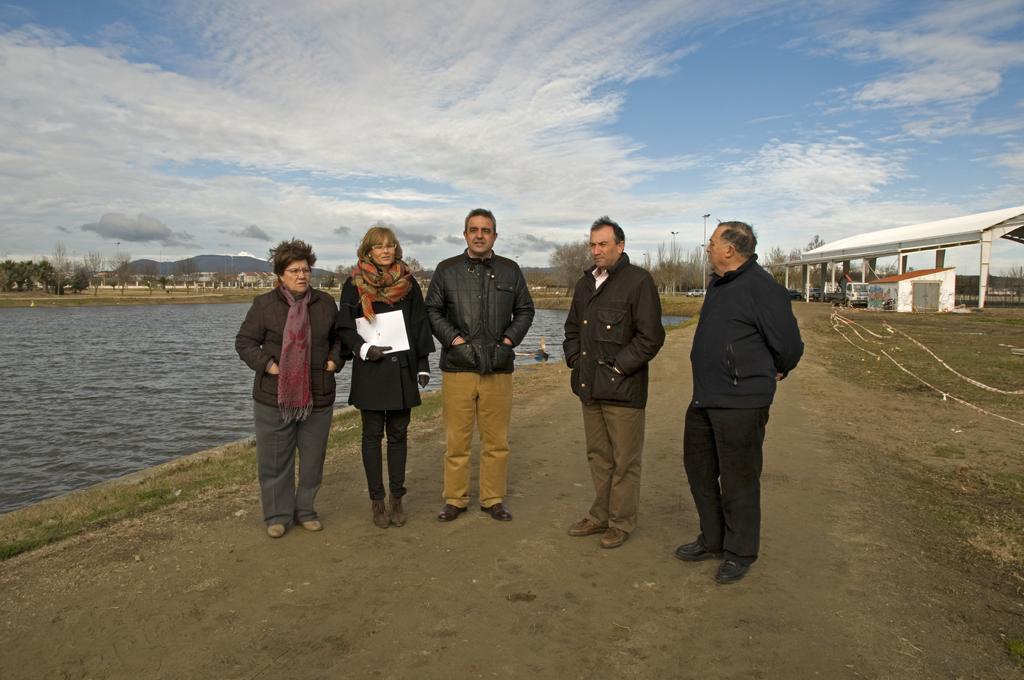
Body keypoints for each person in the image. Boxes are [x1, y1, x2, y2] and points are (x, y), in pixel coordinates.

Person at [677, 221, 803, 583]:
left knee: (739, 480)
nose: (707, 247)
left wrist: (775, 370)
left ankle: (740, 551)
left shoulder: (763, 288)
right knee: (699, 471)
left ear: (730, 249)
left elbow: (789, 346)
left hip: (742, 402)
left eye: (712, 242)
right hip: (705, 398)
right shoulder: (719, 283)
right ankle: (713, 539)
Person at [424, 208, 535, 522]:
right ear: (465, 234)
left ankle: (492, 498)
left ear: (495, 236)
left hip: (498, 369)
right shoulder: (446, 270)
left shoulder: (511, 271)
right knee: (456, 441)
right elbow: (432, 310)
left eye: (486, 230)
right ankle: (455, 500)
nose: (479, 235)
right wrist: (456, 342)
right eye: (473, 229)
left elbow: (525, 310)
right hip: (458, 368)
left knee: (496, 441)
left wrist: (507, 344)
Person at [563, 217, 665, 549]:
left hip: (624, 391)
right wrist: (576, 362)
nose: (596, 250)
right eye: (592, 244)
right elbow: (572, 330)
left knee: (625, 460)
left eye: (602, 244)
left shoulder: (639, 282)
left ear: (620, 246)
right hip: (589, 389)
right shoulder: (584, 285)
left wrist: (619, 367)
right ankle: (600, 515)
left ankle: (621, 522)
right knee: (598, 456)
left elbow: (651, 337)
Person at [235, 239, 344, 538]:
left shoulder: (324, 303)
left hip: (317, 394)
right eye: (294, 270)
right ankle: (277, 516)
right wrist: (270, 366)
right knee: (274, 460)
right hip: (274, 396)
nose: (301, 276)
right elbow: (244, 342)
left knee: (312, 460)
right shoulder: (264, 305)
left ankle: (306, 511)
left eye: (306, 270)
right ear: (280, 275)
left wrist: (335, 360)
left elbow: (339, 339)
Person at [336, 225, 435, 529]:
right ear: (368, 250)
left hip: (402, 368)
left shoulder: (408, 283)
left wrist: (422, 364)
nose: (386, 250)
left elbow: (419, 323)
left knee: (398, 435)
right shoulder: (353, 285)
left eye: (390, 245)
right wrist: (364, 349)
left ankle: (397, 499)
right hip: (370, 368)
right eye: (379, 246)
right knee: (370, 436)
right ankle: (377, 502)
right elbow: (344, 328)